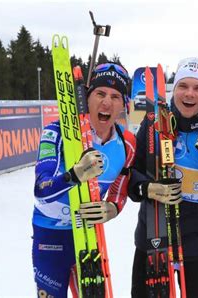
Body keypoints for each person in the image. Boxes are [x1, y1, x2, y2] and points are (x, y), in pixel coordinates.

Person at [128, 57, 198, 298]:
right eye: (183, 86)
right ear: (174, 89)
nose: (189, 94)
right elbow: (132, 175)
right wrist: (146, 188)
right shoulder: (154, 125)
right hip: (153, 236)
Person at [32, 62, 136, 297]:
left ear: (123, 105)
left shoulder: (127, 143)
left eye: (115, 96)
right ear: (87, 98)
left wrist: (113, 207)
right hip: (51, 235)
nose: (106, 102)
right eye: (100, 93)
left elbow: (120, 190)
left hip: (88, 233)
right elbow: (41, 189)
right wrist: (74, 175)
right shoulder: (56, 132)